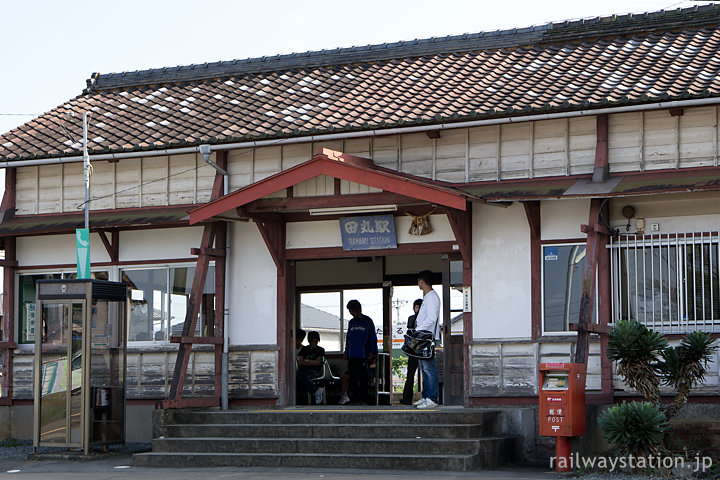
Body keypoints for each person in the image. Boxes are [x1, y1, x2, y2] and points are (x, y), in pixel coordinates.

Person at [343, 299, 378, 405]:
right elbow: (348, 338)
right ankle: (355, 399)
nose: (350, 313)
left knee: (363, 378)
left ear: (357, 310)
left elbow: (373, 337)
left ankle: (364, 399)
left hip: (363, 355)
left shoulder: (367, 321)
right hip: (352, 355)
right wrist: (346, 351)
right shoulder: (351, 322)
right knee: (353, 378)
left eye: (351, 310)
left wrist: (373, 351)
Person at [415, 270, 441, 409]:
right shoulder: (428, 297)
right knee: (424, 368)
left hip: (427, 337)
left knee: (429, 368)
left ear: (422, 281)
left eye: (419, 281)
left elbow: (431, 318)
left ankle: (432, 398)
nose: (418, 283)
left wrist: (418, 330)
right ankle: (426, 397)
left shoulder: (432, 297)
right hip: (423, 336)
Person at [399, 298, 423, 405]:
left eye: (419, 307)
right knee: (410, 375)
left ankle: (427, 397)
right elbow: (411, 329)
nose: (417, 309)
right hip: (413, 350)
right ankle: (407, 398)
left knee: (426, 373)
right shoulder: (411, 318)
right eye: (416, 307)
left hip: (422, 349)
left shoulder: (426, 318)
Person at [296, 330, 325, 404]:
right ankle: (316, 391)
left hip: (315, 371)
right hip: (303, 370)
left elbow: (318, 362)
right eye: (312, 341)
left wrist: (306, 361)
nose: (314, 343)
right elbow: (299, 362)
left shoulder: (320, 350)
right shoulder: (304, 349)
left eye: (315, 341)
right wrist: (311, 362)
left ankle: (315, 392)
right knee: (299, 375)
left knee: (300, 375)